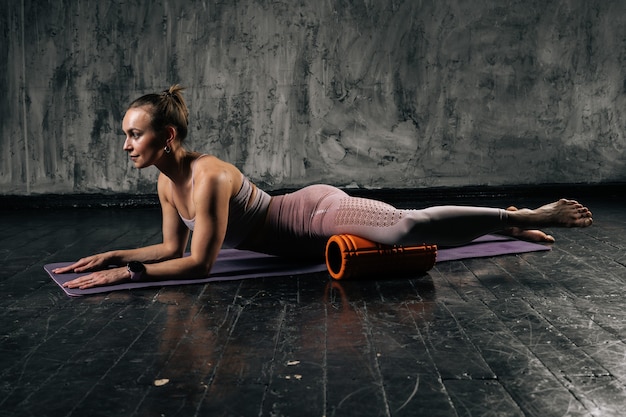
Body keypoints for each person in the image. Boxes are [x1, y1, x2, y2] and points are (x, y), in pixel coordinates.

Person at [55, 85, 593, 289]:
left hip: (314, 214)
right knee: (407, 233)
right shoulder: (166, 186)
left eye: (134, 134)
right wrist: (115, 254)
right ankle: (512, 222)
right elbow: (175, 249)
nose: (126, 144)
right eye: (125, 135)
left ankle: (528, 217)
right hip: (303, 233)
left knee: (404, 227)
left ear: (166, 136)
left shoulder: (209, 176)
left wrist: (130, 274)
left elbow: (201, 264)